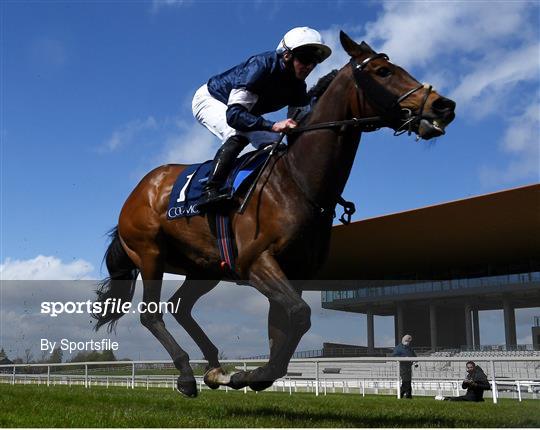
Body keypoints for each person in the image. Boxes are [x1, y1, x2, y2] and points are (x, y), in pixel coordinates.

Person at [192, 27, 332, 210]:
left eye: (315, 63)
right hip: (212, 99)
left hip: (243, 112)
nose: (309, 67)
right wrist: (272, 125)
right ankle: (209, 190)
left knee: (278, 147)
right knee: (237, 133)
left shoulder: (298, 86)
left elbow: (300, 126)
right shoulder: (260, 66)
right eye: (305, 59)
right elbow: (234, 116)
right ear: (287, 55)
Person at [392, 334, 417, 398]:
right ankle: (407, 395)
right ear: (404, 340)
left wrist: (415, 361)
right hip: (402, 367)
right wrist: (404, 357)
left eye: (409, 342)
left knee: (407, 381)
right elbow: (394, 356)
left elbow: (414, 356)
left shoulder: (410, 348)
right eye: (408, 341)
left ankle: (403, 395)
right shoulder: (398, 348)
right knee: (406, 381)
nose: (408, 343)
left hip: (409, 367)